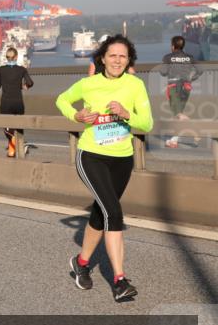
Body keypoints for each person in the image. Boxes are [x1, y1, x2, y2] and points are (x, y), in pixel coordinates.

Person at [56, 34, 152, 302]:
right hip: (92, 156)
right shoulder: (88, 84)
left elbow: (147, 124)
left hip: (122, 158)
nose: (118, 60)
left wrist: (126, 113)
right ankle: (120, 281)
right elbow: (62, 100)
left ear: (129, 59)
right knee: (113, 211)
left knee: (101, 213)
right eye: (113, 55)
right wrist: (75, 115)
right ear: (102, 58)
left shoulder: (135, 86)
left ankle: (81, 263)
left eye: (123, 56)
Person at [159, 35, 202, 148]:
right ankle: (174, 140)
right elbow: (200, 70)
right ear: (183, 45)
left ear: (173, 46)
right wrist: (192, 78)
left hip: (174, 86)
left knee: (177, 113)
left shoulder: (168, 57)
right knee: (178, 114)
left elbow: (163, 72)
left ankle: (196, 131)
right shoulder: (190, 57)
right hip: (186, 87)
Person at [0, 47, 34, 157]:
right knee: (19, 126)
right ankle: (11, 151)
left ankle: (19, 146)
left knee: (7, 127)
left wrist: (2, 81)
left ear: (6, 57)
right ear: (16, 57)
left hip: (6, 103)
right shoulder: (22, 69)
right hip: (18, 103)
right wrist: (24, 86)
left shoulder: (0, 70)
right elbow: (30, 82)